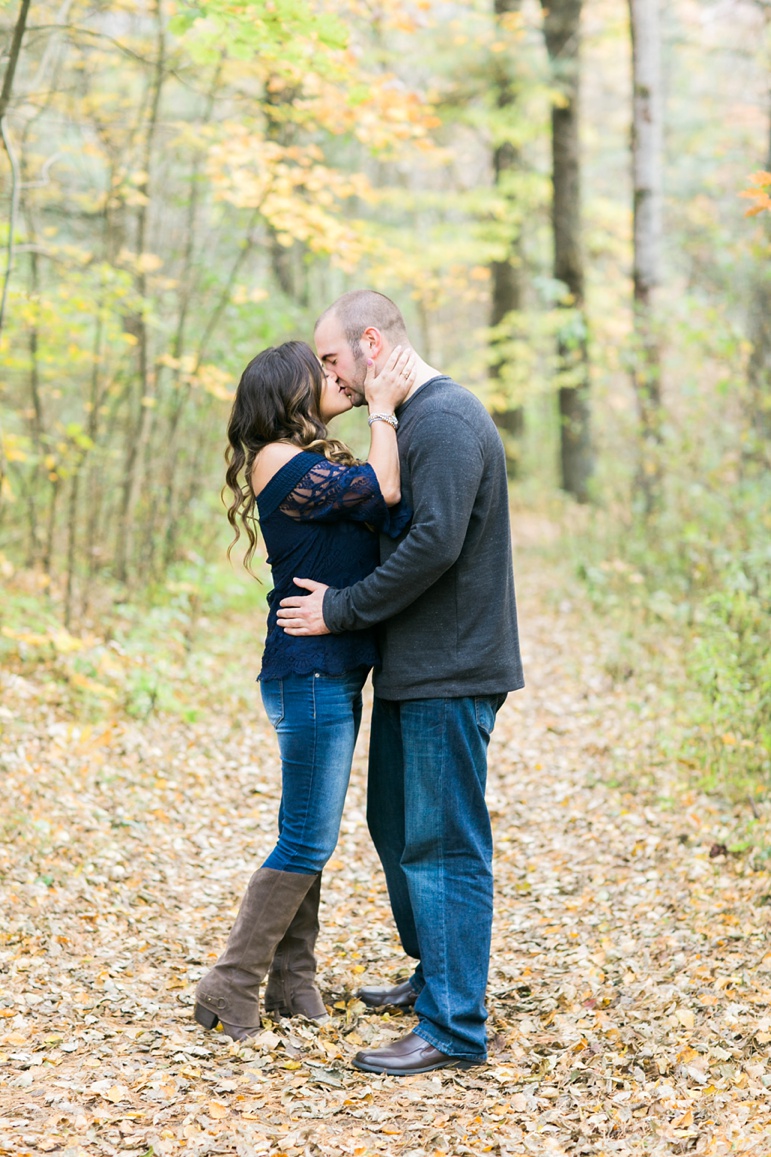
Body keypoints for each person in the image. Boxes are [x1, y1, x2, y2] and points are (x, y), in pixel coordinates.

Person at [277, 290, 525, 1076]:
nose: (330, 379)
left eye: (330, 360)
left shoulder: (446, 419)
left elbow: (433, 544)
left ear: (371, 344)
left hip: (451, 669)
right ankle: (436, 978)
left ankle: (454, 1026)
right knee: (396, 827)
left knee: (443, 844)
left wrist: (341, 611)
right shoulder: (409, 421)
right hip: (416, 667)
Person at [194, 339, 416, 1041]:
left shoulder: (309, 458)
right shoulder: (273, 457)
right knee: (306, 838)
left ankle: (294, 978)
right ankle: (230, 982)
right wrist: (382, 409)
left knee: (309, 833)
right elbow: (381, 490)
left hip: (332, 666)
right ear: (290, 394)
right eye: (320, 373)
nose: (335, 377)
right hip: (308, 669)